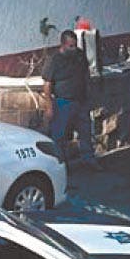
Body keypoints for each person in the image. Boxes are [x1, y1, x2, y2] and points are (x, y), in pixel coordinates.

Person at [42, 30, 94, 164]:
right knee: (59, 134)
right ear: (63, 45)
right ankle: (59, 164)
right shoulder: (54, 60)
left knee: (86, 131)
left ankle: (88, 159)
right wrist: (49, 107)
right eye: (70, 46)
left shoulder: (79, 55)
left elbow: (86, 74)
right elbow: (47, 85)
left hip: (81, 100)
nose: (73, 48)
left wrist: (89, 94)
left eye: (75, 45)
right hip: (62, 101)